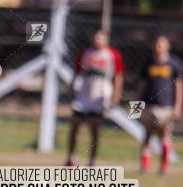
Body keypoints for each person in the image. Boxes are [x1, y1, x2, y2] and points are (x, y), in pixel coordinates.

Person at [65, 30, 124, 167]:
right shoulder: (85, 53)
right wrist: (72, 88)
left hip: (99, 97)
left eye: (101, 38)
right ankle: (71, 158)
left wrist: (116, 95)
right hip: (83, 97)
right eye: (96, 37)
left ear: (106, 40)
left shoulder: (112, 55)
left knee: (94, 129)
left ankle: (92, 160)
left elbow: (118, 76)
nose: (98, 40)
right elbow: (76, 72)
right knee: (75, 125)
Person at [138, 35, 183, 175]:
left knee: (165, 135)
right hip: (149, 106)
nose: (158, 47)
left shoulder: (174, 64)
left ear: (167, 46)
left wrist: (178, 107)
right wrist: (136, 108)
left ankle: (163, 168)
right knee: (147, 136)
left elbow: (179, 86)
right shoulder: (148, 63)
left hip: (166, 107)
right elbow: (141, 86)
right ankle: (144, 168)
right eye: (156, 44)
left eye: (161, 44)